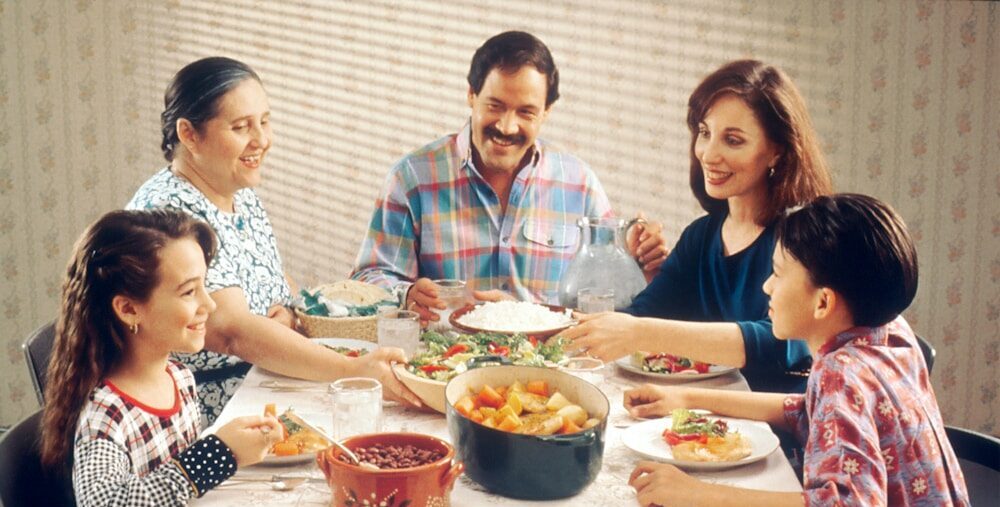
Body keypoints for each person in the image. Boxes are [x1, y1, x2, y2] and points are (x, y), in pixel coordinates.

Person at [127, 57, 419, 425]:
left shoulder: (236, 190)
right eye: (241, 127)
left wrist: (292, 312)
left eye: (265, 121)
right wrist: (354, 369)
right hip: (203, 412)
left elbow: (274, 283)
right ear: (189, 135)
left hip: (262, 382)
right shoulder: (169, 214)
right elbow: (232, 332)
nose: (262, 140)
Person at [626, 194, 970, 506]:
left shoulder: (842, 373)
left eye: (777, 274)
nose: (766, 286)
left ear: (823, 303)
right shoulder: (891, 331)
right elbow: (808, 409)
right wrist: (688, 399)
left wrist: (697, 494)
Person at [350, 31, 668, 323]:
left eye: (525, 112)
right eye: (495, 105)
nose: (506, 126)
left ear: (546, 113)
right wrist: (405, 295)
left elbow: (607, 298)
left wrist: (638, 262)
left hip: (551, 369)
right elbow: (368, 278)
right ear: (471, 95)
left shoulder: (579, 183)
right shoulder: (411, 180)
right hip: (444, 366)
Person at [561, 60, 833, 393]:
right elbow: (643, 314)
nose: (708, 154)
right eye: (704, 133)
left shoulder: (801, 239)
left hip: (782, 429)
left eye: (732, 140)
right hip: (704, 419)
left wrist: (640, 332)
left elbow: (781, 340)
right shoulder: (701, 236)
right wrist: (531, 321)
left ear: (776, 151)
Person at [40, 209, 285, 505]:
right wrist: (218, 454)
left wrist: (234, 446)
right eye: (188, 292)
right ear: (129, 309)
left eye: (204, 286)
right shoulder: (107, 415)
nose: (208, 304)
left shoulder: (178, 377)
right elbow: (104, 502)